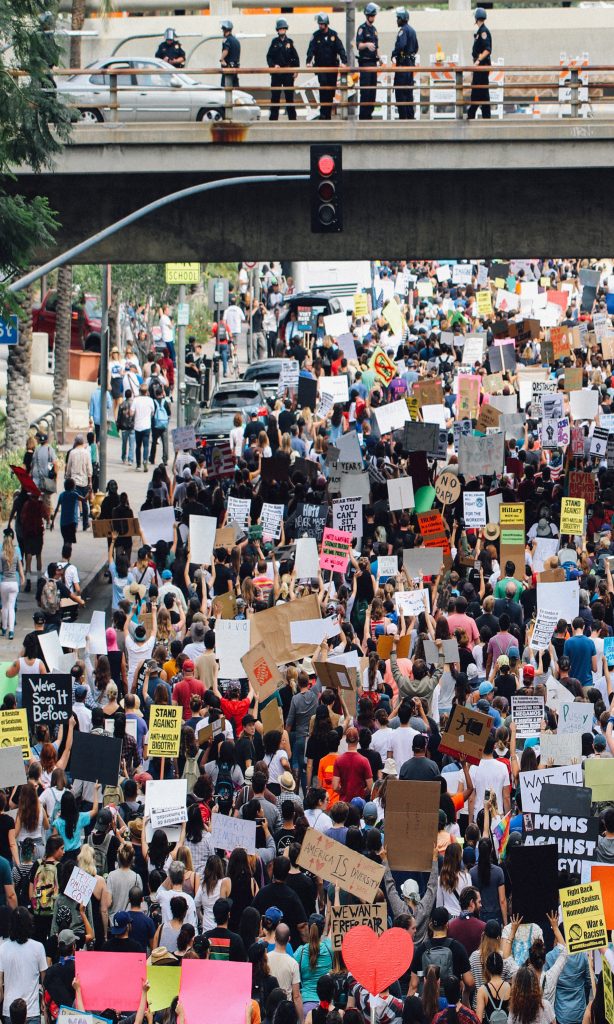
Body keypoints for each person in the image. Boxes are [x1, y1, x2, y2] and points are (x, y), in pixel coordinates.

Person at [0, 909, 47, 1024]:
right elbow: (44, 979)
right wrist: (44, 1002)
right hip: (32, 1011)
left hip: (9, 1011)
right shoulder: (38, 947)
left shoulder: (3, 948)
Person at [306, 14, 347, 121]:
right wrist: (308, 61)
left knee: (330, 91)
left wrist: (344, 61)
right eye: (320, 24)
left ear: (326, 24)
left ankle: (327, 114)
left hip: (332, 68)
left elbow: (341, 49)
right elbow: (311, 50)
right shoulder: (315, 36)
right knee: (323, 88)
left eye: (323, 24)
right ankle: (323, 114)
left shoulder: (333, 35)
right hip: (321, 67)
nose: (321, 26)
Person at [266, 20, 300, 122]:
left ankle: (292, 118)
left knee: (289, 96)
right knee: (275, 96)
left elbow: (295, 57)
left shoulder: (289, 42)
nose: (282, 30)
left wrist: (296, 70)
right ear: (277, 30)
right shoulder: (274, 42)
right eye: (280, 29)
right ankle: (273, 118)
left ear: (286, 29)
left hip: (288, 73)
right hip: (277, 73)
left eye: (283, 28)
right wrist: (273, 66)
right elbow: (269, 57)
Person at [392, 8, 418, 120]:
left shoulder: (403, 31)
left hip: (403, 65)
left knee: (400, 93)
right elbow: (416, 48)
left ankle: (403, 120)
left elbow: (401, 45)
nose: (396, 20)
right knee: (409, 93)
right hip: (410, 64)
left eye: (398, 18)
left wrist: (393, 54)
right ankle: (411, 119)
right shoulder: (412, 30)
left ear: (402, 19)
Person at [467, 8, 492, 119]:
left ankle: (471, 115)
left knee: (478, 91)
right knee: (482, 92)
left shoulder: (483, 31)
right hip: (480, 68)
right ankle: (485, 116)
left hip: (481, 67)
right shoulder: (480, 31)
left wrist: (478, 61)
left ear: (476, 18)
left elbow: (487, 49)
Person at [0, 530, 24, 640]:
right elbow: (20, 568)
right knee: (11, 607)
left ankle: (4, 628)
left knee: (4, 607)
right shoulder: (16, 553)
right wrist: (23, 578)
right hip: (14, 583)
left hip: (4, 582)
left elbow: (0, 570)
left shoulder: (2, 555)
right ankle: (11, 632)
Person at [356, 3, 379, 120]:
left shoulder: (374, 30)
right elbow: (358, 45)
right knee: (365, 91)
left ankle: (369, 113)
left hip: (373, 63)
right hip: (365, 63)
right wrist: (367, 45)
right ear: (367, 16)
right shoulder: (362, 29)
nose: (373, 18)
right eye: (372, 16)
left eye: (374, 16)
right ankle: (363, 116)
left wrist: (378, 56)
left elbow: (377, 46)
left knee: (372, 91)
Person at [132, 383, 155, 473]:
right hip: (146, 426)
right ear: (147, 391)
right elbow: (153, 412)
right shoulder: (150, 400)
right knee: (146, 445)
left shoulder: (136, 400)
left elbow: (131, 412)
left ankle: (138, 464)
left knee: (138, 446)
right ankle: (145, 460)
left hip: (137, 426)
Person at [220, 21, 241, 86]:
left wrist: (221, 59)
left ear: (225, 30)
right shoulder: (236, 40)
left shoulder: (226, 40)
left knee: (225, 87)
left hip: (228, 67)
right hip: (235, 67)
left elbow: (226, 50)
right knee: (235, 88)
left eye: (223, 30)